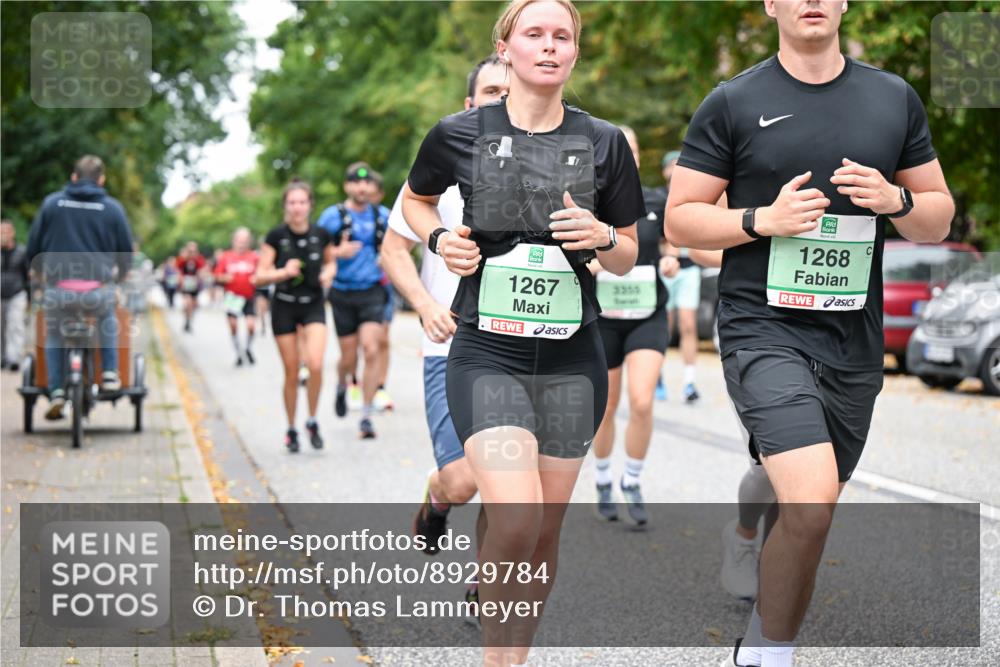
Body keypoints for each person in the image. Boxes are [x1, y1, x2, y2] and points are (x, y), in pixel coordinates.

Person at [664, 2, 954, 665]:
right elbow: (681, 218)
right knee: (813, 501)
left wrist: (897, 201)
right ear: (771, 4)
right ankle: (768, 654)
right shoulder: (735, 102)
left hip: (853, 340)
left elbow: (937, 218)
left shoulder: (892, 98)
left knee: (804, 512)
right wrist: (761, 219)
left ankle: (760, 622)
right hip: (762, 328)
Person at [401, 2, 643, 664]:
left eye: (562, 36)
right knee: (516, 516)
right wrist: (439, 238)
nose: (549, 45)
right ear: (505, 48)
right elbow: (416, 200)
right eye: (534, 34)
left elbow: (629, 251)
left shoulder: (604, 143)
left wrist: (603, 236)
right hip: (488, 354)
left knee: (543, 534)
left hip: (573, 360)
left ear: (575, 52)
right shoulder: (459, 133)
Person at [381, 52, 508, 620]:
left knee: (503, 477)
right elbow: (393, 249)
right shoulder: (440, 169)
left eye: (510, 90)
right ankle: (437, 498)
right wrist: (426, 304)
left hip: (515, 350)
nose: (503, 100)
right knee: (462, 481)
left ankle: (486, 583)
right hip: (449, 349)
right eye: (491, 92)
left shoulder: (551, 166)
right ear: (469, 104)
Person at [590, 126, 678, 527]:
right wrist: (591, 264)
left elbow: (671, 241)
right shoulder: (589, 203)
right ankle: (603, 477)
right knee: (606, 406)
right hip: (604, 319)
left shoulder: (657, 200)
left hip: (647, 314)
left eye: (635, 149)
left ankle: (632, 479)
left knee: (642, 402)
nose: (630, 155)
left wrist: (671, 257)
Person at [26, 155, 134, 419]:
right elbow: (125, 252)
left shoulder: (52, 203)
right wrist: (119, 277)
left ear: (73, 177)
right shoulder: (112, 209)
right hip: (97, 291)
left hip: (59, 291)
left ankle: (56, 391)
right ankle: (109, 373)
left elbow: (33, 245)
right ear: (101, 180)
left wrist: (38, 272)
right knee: (107, 318)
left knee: (54, 333)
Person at [254, 179, 337, 453]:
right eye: (292, 202)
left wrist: (328, 274)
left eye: (302, 202)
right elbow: (259, 276)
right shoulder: (276, 236)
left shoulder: (321, 234)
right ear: (285, 206)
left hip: (313, 304)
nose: (297, 207)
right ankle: (291, 428)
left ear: (310, 205)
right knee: (291, 372)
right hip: (284, 306)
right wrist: (283, 272)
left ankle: (312, 420)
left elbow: (331, 262)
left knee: (315, 364)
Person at [317, 162, 392, 439]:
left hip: (372, 290)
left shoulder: (383, 216)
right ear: (347, 186)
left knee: (371, 350)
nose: (362, 187)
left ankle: (366, 415)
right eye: (356, 182)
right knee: (348, 358)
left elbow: (399, 246)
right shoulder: (331, 216)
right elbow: (316, 251)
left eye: (367, 182)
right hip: (342, 292)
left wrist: (389, 259)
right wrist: (338, 252)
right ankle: (341, 384)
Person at [659, 149, 703, 403]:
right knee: (664, 325)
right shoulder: (658, 198)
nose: (676, 169)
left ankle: (689, 382)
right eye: (672, 165)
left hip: (690, 267)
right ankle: (658, 376)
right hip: (665, 269)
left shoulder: (695, 197)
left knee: (688, 324)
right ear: (665, 170)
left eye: (680, 164)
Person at [214, 227, 260, 366]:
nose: (242, 243)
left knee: (251, 326)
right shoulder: (226, 256)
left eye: (245, 240)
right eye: (239, 239)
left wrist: (257, 279)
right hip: (232, 297)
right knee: (233, 325)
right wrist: (224, 278)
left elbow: (261, 274)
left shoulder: (254, 257)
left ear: (249, 241)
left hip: (249, 296)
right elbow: (217, 275)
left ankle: (248, 348)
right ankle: (238, 353)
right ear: (234, 240)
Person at [1, 220, 29, 371]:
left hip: (16, 293)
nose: (3, 235)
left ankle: (14, 359)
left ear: (12, 233)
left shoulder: (21, 252)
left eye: (6, 231)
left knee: (15, 326)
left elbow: (27, 275)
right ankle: (2, 357)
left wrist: (29, 295)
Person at [177, 241, 207, 332]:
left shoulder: (199, 259)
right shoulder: (183, 259)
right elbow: (178, 270)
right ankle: (187, 319)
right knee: (187, 303)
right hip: (186, 285)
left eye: (194, 251)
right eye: (190, 251)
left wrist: (200, 276)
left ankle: (189, 320)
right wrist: (181, 280)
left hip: (195, 285)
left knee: (194, 305)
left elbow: (203, 269)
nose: (192, 253)